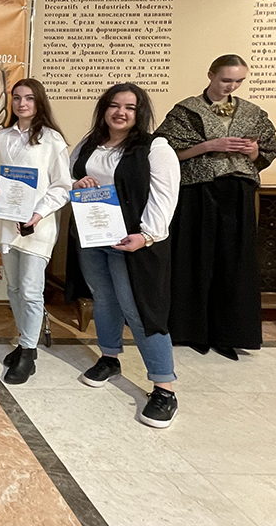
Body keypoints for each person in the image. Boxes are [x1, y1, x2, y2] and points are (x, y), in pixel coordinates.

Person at [155, 54, 276, 360]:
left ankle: (230, 333)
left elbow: (266, 154)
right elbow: (164, 151)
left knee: (235, 262)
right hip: (197, 191)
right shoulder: (186, 110)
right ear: (211, 74)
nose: (231, 86)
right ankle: (189, 329)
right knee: (193, 257)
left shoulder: (253, 113)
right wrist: (209, 146)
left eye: (238, 81)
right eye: (226, 80)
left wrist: (253, 150)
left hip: (237, 191)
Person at [69, 83, 181, 428]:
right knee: (104, 299)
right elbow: (69, 178)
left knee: (140, 308)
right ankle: (109, 358)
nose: (121, 113)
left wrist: (147, 236)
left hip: (133, 241)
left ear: (139, 113)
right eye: (114, 105)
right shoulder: (88, 145)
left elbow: (164, 197)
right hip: (94, 238)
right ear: (104, 109)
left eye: (130, 107)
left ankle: (164, 388)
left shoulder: (155, 148)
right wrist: (77, 184)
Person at [0, 78, 71, 383]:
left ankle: (29, 352)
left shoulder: (52, 140)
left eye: (29, 98)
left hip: (37, 226)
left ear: (39, 102)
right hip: (6, 223)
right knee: (14, 288)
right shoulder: (2, 136)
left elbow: (62, 187)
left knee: (31, 289)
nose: (22, 104)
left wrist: (38, 213)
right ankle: (24, 340)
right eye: (17, 98)